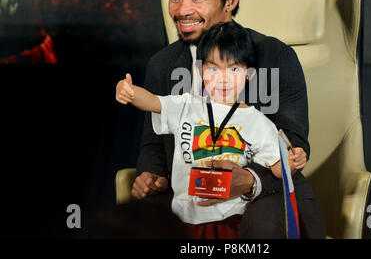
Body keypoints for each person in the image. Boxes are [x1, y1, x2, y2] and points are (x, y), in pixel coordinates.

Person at [133, 0, 326, 238]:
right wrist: (151, 176)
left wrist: (248, 180)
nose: (182, 10)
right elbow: (153, 145)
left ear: (230, 1)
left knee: (262, 223)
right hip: (192, 194)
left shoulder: (275, 55)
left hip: (266, 196)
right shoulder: (162, 65)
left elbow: (294, 144)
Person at [116, 21, 305, 237]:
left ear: (249, 74)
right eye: (213, 68)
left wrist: (292, 162)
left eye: (233, 69)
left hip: (232, 219)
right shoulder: (186, 105)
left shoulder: (260, 123)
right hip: (182, 217)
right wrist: (128, 91)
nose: (223, 79)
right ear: (199, 71)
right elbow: (152, 102)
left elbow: (277, 168)